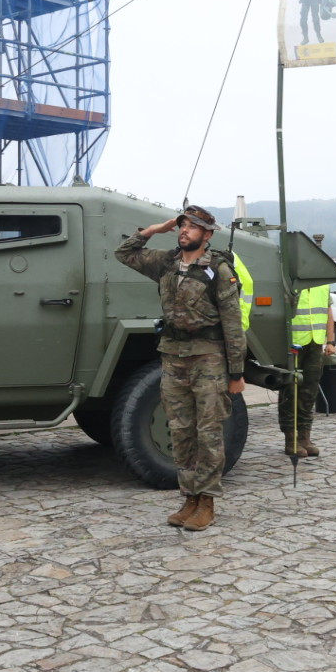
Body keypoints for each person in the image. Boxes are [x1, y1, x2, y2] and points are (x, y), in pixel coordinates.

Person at [115, 205, 246, 531]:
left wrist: (236, 373)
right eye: (182, 225)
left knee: (209, 433)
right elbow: (124, 253)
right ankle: (189, 498)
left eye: (192, 227)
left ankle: (207, 503)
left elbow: (232, 323)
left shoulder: (219, 269)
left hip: (208, 359)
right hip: (173, 358)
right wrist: (156, 229)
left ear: (208, 234)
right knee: (181, 432)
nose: (184, 231)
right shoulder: (167, 262)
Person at [281, 281, 335, 456]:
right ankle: (290, 440)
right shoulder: (291, 281)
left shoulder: (323, 284)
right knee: (290, 391)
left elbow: (328, 311)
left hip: (315, 342)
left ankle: (304, 437)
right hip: (293, 343)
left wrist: (330, 341)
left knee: (309, 391)